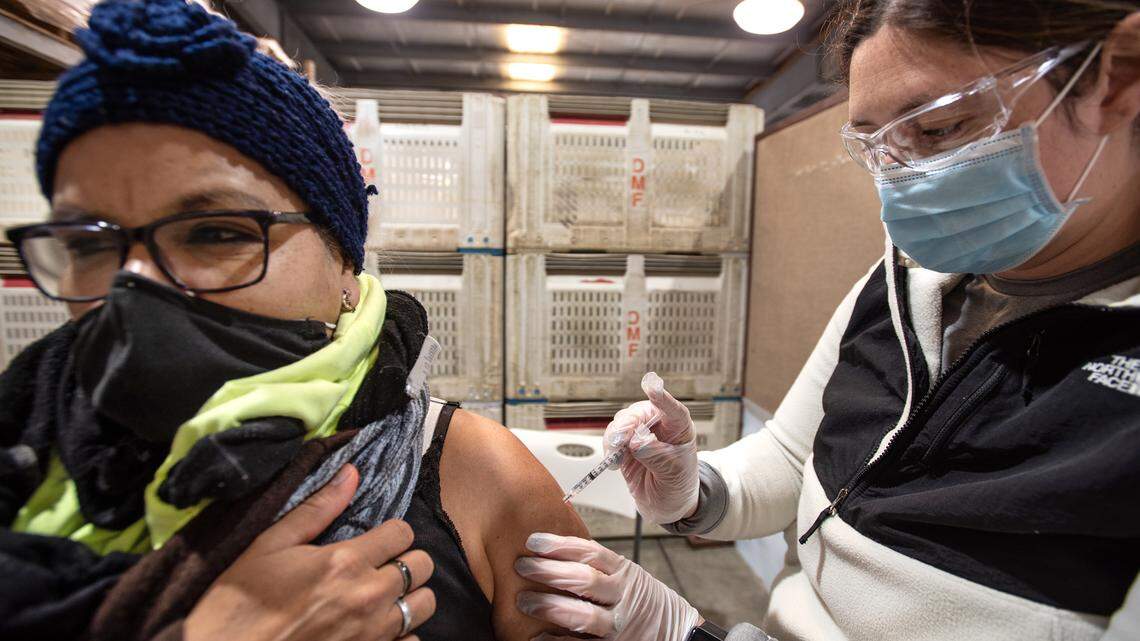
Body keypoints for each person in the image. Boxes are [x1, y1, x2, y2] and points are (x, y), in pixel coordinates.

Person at [515, 1, 1140, 640]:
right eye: (874, 145)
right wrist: (693, 488)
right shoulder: (902, 284)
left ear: (1117, 80)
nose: (903, 177)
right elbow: (792, 456)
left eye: (941, 128)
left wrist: (683, 634)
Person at [0, 1, 586, 640]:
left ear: (343, 260)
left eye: (216, 232)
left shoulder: (474, 475)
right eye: (89, 243)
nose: (132, 284)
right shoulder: (22, 442)